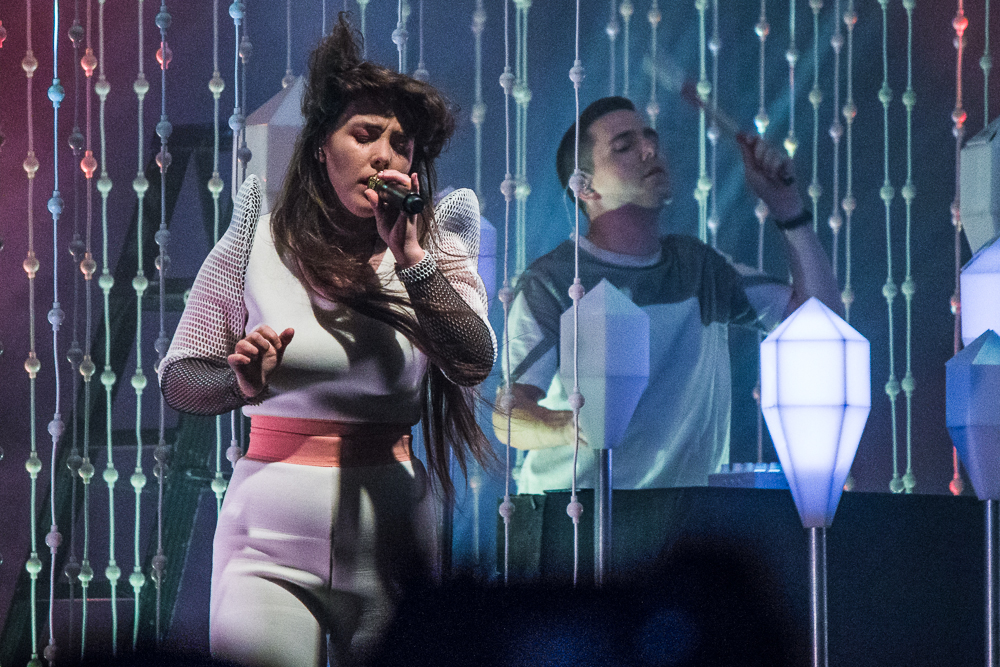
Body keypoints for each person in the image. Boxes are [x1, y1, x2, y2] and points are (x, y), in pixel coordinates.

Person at [158, 16, 494, 667]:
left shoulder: (436, 253)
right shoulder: (258, 242)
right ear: (321, 148)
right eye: (364, 135)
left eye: (401, 145)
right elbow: (179, 377)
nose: (385, 156)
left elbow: (474, 360)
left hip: (394, 539)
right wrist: (239, 382)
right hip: (268, 544)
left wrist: (414, 259)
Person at [493, 96, 841, 494]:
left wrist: (787, 207)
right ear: (584, 186)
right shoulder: (552, 280)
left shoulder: (699, 267)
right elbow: (507, 415)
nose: (649, 149)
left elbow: (823, 323)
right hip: (569, 521)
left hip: (685, 522)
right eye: (624, 146)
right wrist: (574, 426)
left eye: (650, 138)